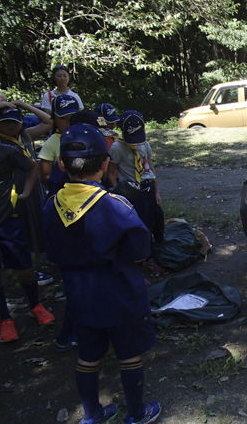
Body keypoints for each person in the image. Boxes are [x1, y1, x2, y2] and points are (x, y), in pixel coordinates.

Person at [42, 124, 162, 424]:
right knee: (129, 355)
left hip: (80, 296)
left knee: (87, 357)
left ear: (60, 164)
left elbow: (51, 253)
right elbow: (140, 250)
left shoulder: (50, 207)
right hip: (121, 295)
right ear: (105, 164)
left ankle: (93, 415)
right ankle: (136, 414)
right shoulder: (116, 206)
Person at [0, 140, 55, 343]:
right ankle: (5, 319)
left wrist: (25, 193)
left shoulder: (6, 152)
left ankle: (35, 305)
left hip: (7, 220)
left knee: (24, 268)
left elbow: (32, 166)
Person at [0, 102, 54, 285]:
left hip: (33, 187)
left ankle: (41, 259)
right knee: (20, 228)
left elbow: (48, 122)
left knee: (37, 220)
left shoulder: (25, 136)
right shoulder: (1, 142)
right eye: (5, 122)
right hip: (13, 191)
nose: (10, 126)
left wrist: (23, 104)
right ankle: (26, 267)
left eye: (14, 122)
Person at [106, 110, 163, 275]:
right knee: (139, 224)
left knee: (153, 221)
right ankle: (142, 258)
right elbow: (110, 172)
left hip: (148, 187)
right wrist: (118, 193)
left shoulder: (144, 144)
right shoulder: (117, 148)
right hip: (132, 190)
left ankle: (150, 252)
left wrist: (157, 191)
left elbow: (151, 169)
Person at [38, 94, 80, 195]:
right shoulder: (51, 143)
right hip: (63, 196)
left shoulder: (86, 137)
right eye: (63, 118)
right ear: (54, 119)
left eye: (72, 117)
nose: (68, 123)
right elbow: (44, 177)